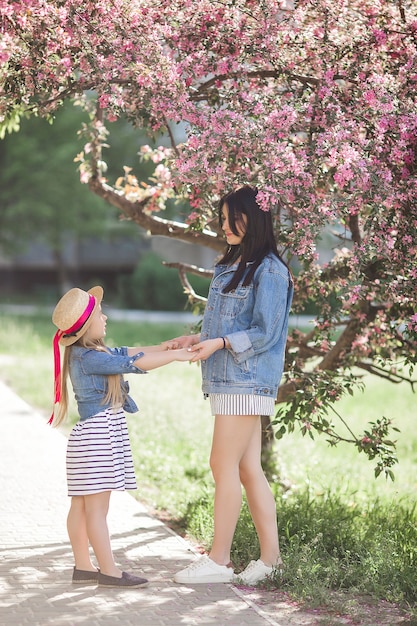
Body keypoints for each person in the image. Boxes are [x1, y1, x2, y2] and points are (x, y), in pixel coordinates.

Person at [169, 185, 294, 585]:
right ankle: (270, 562)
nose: (222, 226)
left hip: (246, 379)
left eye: (229, 218)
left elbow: (265, 332)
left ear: (251, 218)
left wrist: (220, 343)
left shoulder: (271, 271)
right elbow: (226, 324)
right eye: (221, 218)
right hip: (230, 377)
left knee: (221, 464)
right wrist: (198, 339)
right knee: (246, 468)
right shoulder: (235, 264)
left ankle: (219, 561)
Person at [51, 285, 191, 588]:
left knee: (81, 506)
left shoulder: (87, 353)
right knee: (97, 510)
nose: (106, 317)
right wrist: (178, 355)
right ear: (88, 324)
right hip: (97, 438)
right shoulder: (89, 358)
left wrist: (166, 347)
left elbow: (128, 353)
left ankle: (84, 567)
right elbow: (134, 363)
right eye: (101, 313)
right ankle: (109, 571)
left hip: (89, 438)